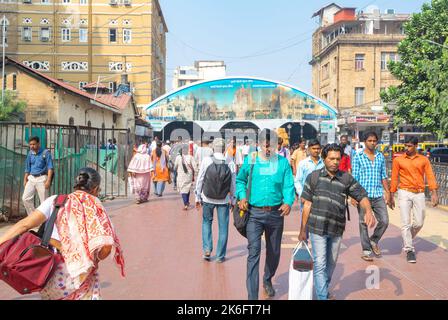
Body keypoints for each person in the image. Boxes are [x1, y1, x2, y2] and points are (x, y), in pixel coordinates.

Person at [0, 168, 125, 300]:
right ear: (95, 189)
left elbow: (24, 225)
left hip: (51, 273)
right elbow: (107, 245)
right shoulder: (97, 208)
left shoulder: (56, 200)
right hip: (80, 275)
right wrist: (95, 259)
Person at [298, 144, 376, 300]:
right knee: (319, 264)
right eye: (331, 159)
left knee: (331, 263)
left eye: (338, 159)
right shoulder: (313, 177)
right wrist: (302, 230)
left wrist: (368, 211)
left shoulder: (345, 178)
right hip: (317, 227)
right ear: (324, 159)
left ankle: (323, 289)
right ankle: (322, 296)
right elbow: (307, 204)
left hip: (337, 228)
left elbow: (361, 195)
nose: (335, 162)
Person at [236, 129, 295, 300]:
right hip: (254, 213)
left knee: (274, 251)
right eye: (265, 144)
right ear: (259, 144)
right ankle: (252, 298)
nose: (268, 148)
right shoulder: (251, 160)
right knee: (254, 252)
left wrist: (288, 202)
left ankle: (267, 278)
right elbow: (240, 180)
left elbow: (288, 185)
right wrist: (241, 196)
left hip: (276, 214)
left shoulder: (283, 163)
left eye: (272, 145)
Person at [389, 136, 439, 263]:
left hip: (419, 193)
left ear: (416, 146)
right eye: (405, 145)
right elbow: (394, 178)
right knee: (405, 223)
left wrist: (434, 192)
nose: (407, 148)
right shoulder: (398, 160)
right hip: (404, 192)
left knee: (419, 222)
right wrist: (391, 194)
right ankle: (409, 249)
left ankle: (408, 239)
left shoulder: (423, 160)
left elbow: (430, 175)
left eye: (410, 146)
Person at [195, 138, 236, 263]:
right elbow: (233, 184)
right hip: (223, 199)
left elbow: (200, 179)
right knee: (223, 227)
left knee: (207, 222)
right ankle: (220, 256)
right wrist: (233, 199)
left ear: (213, 148)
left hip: (207, 197)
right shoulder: (230, 162)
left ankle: (207, 249)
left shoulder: (206, 160)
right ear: (224, 149)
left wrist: (197, 196)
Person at [352, 132, 390, 261]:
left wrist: (388, 192)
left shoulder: (380, 156)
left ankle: (374, 240)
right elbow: (355, 177)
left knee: (384, 221)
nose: (372, 143)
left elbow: (383, 175)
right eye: (370, 140)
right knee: (363, 223)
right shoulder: (358, 156)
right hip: (363, 196)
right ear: (364, 142)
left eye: (374, 141)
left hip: (378, 194)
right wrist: (352, 195)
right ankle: (366, 250)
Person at [22, 136, 54, 215]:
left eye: (33, 144)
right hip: (31, 178)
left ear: (38, 144)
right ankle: (33, 217)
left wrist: (48, 181)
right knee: (25, 198)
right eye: (30, 144)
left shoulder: (45, 153)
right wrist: (25, 179)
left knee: (44, 201)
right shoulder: (30, 153)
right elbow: (27, 168)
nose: (32, 146)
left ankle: (45, 220)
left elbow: (50, 168)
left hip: (42, 178)